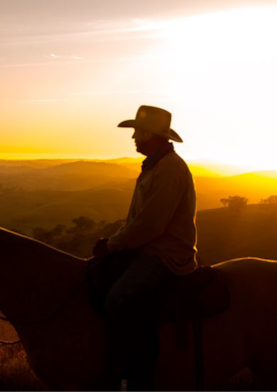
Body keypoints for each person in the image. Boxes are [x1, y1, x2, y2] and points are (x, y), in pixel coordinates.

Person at [93, 105, 198, 392]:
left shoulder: (169, 170)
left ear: (152, 134)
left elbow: (151, 226)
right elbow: (136, 221)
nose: (134, 138)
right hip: (146, 248)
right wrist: (115, 241)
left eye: (138, 132)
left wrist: (113, 245)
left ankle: (137, 376)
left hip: (163, 255)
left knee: (118, 299)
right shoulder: (155, 165)